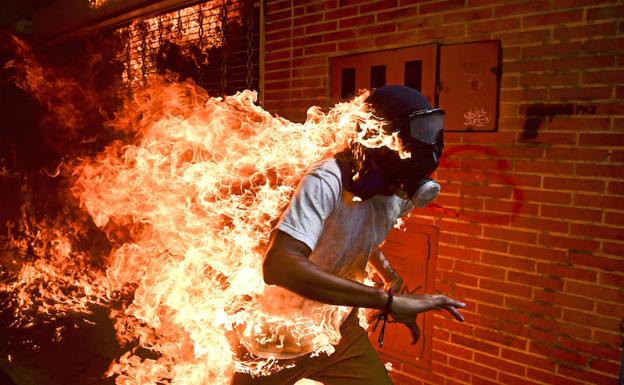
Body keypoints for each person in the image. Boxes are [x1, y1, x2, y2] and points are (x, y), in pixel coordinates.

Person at [231, 85, 465, 385]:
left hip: (338, 332)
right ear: (377, 137)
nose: (427, 146)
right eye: (419, 132)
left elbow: (360, 236)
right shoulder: (325, 180)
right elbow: (280, 264)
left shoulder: (398, 191)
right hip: (277, 340)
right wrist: (387, 301)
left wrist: (391, 279)